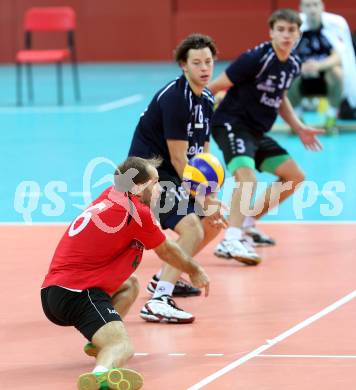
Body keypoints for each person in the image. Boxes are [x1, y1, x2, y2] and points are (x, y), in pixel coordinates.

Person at [41, 156, 210, 390]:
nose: (160, 188)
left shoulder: (112, 195)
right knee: (123, 346)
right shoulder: (136, 212)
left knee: (130, 285)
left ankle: (97, 341)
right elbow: (167, 251)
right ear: (139, 187)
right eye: (155, 182)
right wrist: (195, 270)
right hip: (78, 292)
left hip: (57, 290)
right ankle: (101, 374)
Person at [208, 9, 324, 265]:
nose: (285, 35)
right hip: (231, 123)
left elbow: (280, 97)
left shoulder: (292, 64)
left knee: (294, 177)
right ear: (271, 32)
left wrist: (299, 126)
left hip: (256, 132)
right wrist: (194, 116)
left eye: (291, 30)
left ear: (298, 34)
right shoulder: (255, 58)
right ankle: (231, 238)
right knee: (246, 176)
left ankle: (246, 221)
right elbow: (215, 86)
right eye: (280, 30)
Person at [128, 33, 226, 324]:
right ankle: (158, 302)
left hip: (174, 171)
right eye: (196, 63)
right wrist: (202, 197)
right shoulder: (176, 98)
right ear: (184, 65)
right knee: (193, 228)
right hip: (148, 175)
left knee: (211, 223)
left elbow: (203, 154)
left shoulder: (207, 99)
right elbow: (181, 158)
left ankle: (162, 280)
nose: (204, 68)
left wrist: (211, 195)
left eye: (208, 62)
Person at [288, 0, 343, 131]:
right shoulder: (293, 30)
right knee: (287, 73)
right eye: (308, 5)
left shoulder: (332, 28)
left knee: (337, 72)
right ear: (301, 8)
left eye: (315, 5)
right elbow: (285, 56)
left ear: (322, 7)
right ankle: (298, 120)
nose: (312, 9)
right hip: (301, 76)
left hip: (325, 77)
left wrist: (318, 66)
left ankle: (330, 119)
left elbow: (338, 56)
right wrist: (301, 67)